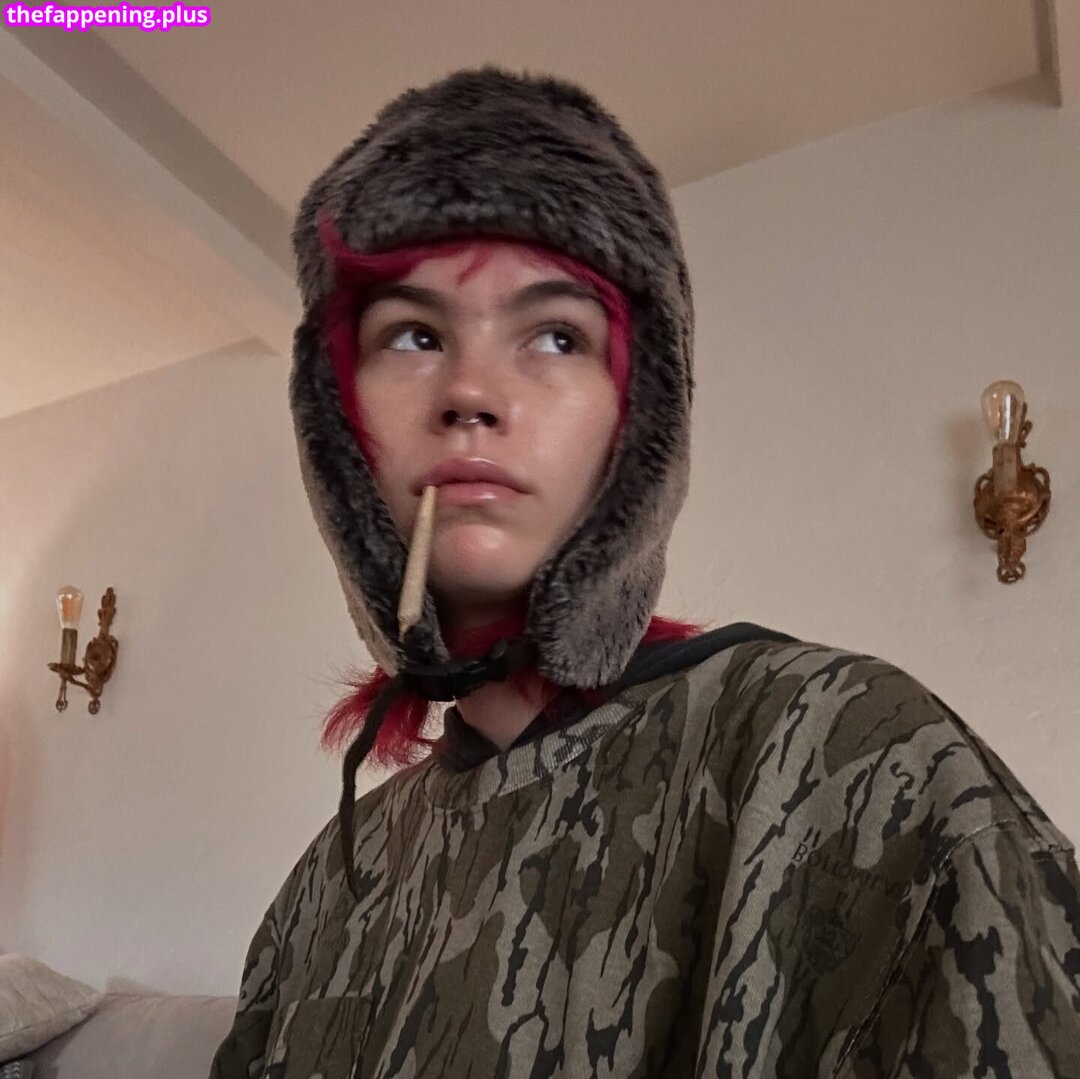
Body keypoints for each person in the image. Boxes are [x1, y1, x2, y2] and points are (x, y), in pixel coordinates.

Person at [209, 67, 1080, 1078]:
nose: (472, 392)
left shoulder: (851, 750)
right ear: (334, 424)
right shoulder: (331, 880)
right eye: (413, 334)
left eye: (555, 335)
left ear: (639, 418)